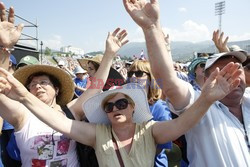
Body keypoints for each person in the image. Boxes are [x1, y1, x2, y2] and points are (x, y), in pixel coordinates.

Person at [0, 57, 242, 167]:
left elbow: (185, 122)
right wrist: (23, 96)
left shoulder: (150, 130)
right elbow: (60, 122)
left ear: (133, 107)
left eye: (121, 103)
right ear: (104, 112)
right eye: (109, 106)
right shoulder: (97, 133)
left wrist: (207, 99)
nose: (115, 108)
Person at [0, 2, 129, 166]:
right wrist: (5, 47)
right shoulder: (21, 115)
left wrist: (109, 54)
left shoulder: (71, 112)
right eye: (32, 84)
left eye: (44, 82)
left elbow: (95, 87)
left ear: (56, 89)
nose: (38, 86)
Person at [122, 0, 250, 166]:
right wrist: (151, 28)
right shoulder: (200, 106)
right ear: (206, 81)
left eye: (237, 69)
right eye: (223, 73)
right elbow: (167, 81)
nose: (232, 78)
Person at [127, 60, 173, 166]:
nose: (133, 76)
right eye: (130, 73)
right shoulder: (124, 105)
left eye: (139, 73)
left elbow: (162, 146)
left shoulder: (159, 107)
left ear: (150, 78)